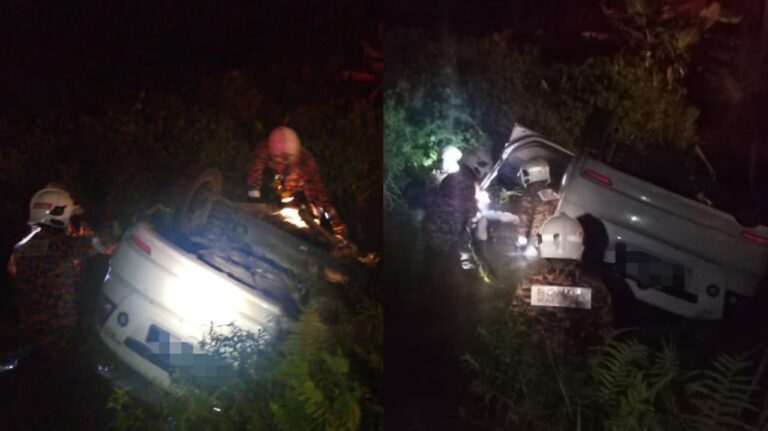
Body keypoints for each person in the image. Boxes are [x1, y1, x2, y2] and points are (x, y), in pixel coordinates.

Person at [6, 184, 113, 362]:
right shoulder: (63, 246)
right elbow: (104, 243)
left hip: (29, 328)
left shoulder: (20, 250)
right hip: (59, 331)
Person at [511, 213, 612, 352]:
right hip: (578, 362)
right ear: (581, 246)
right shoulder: (596, 290)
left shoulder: (527, 285)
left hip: (534, 359)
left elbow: (516, 325)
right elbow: (604, 333)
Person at [246, 126, 348, 238]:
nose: (283, 161)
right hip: (277, 183)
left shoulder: (306, 163)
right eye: (279, 159)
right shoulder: (265, 149)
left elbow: (318, 192)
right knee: (277, 197)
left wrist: (333, 223)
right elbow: (255, 169)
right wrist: (254, 192)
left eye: (286, 158)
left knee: (317, 207)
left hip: (298, 186)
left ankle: (332, 229)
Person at [422, 146, 493, 266]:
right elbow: (471, 213)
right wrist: (480, 208)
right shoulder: (466, 182)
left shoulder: (453, 178)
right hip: (448, 238)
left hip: (431, 233)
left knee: (430, 265)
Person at [511, 158, 560, 253]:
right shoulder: (552, 192)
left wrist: (521, 239)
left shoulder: (529, 195)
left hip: (539, 237)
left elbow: (524, 219)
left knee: (534, 252)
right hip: (554, 234)